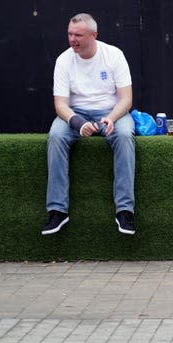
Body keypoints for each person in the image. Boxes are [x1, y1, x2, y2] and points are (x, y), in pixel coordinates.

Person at [42, 13, 136, 235]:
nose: (72, 39)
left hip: (111, 112)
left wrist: (111, 118)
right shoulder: (63, 60)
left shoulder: (114, 55)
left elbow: (126, 99)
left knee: (124, 136)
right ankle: (57, 212)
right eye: (70, 34)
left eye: (78, 35)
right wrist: (78, 122)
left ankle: (125, 211)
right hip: (76, 114)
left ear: (94, 35)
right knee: (55, 136)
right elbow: (60, 105)